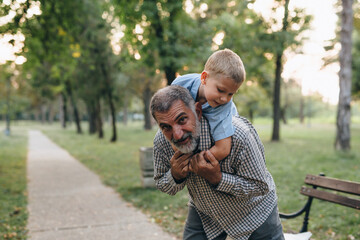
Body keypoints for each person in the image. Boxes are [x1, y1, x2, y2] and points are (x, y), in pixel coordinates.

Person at [150, 85, 285, 240]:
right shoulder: (162, 142)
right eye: (166, 127)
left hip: (254, 212)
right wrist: (175, 175)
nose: (177, 134)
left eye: (182, 120)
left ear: (198, 112)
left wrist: (218, 179)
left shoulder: (239, 134)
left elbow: (261, 186)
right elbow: (162, 183)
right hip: (205, 212)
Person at [171, 48, 245, 161]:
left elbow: (223, 149)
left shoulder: (224, 106)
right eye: (220, 90)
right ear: (204, 78)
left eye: (231, 94)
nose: (225, 99)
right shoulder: (180, 86)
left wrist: (195, 162)